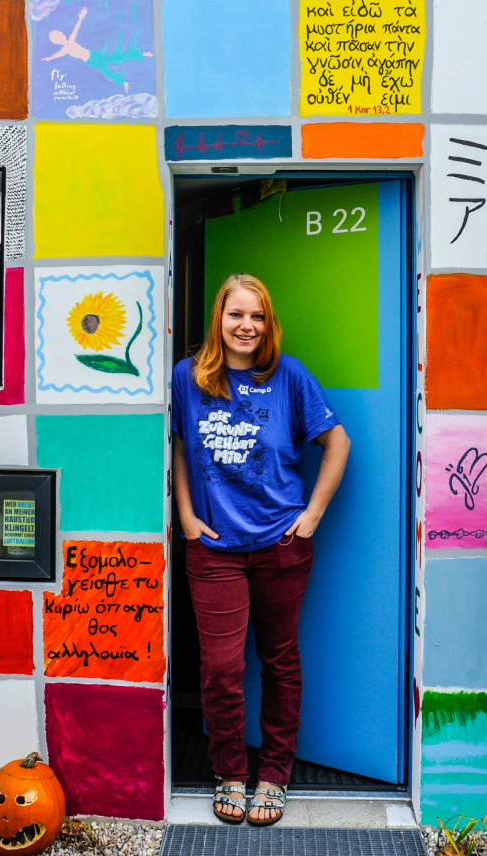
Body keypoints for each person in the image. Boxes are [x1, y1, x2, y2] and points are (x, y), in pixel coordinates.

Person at [171, 274, 350, 828]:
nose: (246, 326)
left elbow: (337, 442)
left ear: (268, 323)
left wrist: (311, 517)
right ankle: (229, 772)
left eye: (257, 316)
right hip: (214, 549)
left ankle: (274, 774)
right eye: (236, 315)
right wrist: (186, 517)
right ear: (219, 320)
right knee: (220, 669)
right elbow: (179, 446)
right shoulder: (188, 378)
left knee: (280, 660)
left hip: (280, 546)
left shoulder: (288, 376)